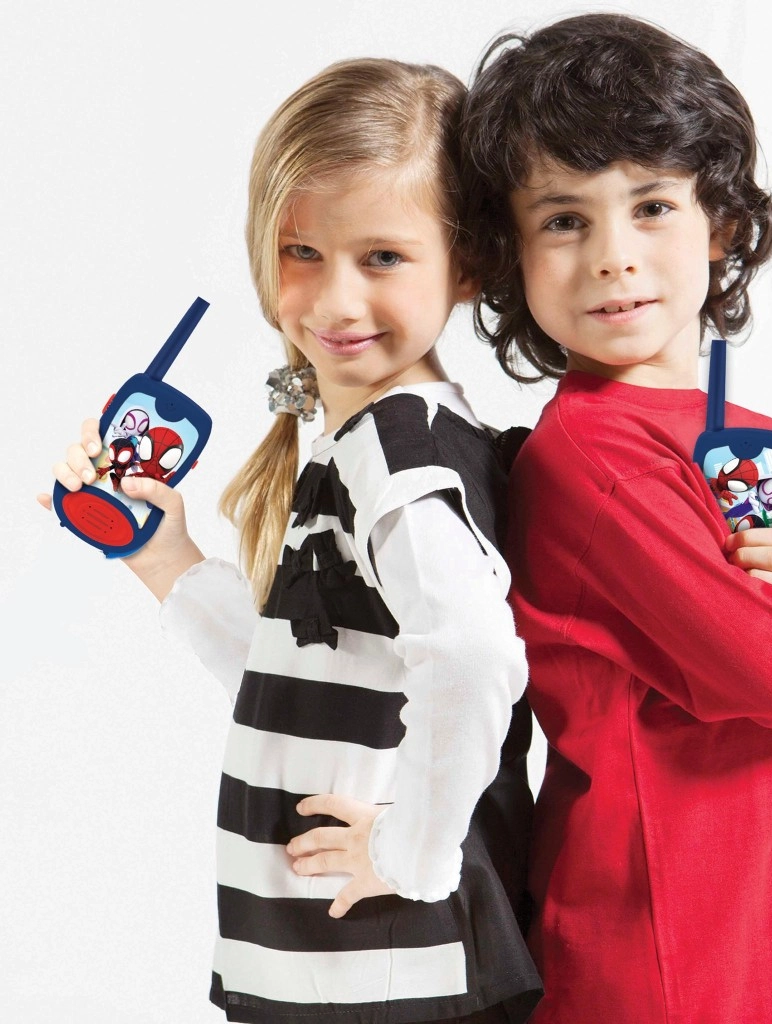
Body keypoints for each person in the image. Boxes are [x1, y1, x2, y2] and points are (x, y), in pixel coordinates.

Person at [459, 13, 772, 1024]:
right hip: (666, 956)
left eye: (651, 206)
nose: (613, 257)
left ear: (718, 223)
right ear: (511, 252)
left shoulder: (754, 441)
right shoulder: (589, 458)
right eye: (564, 220)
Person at [45, 58, 541, 1024]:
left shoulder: (398, 455)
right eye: (301, 251)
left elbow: (475, 657)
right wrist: (165, 557)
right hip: (349, 962)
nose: (334, 300)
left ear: (467, 262)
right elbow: (316, 669)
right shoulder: (374, 444)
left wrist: (409, 854)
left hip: (390, 966)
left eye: (383, 257)